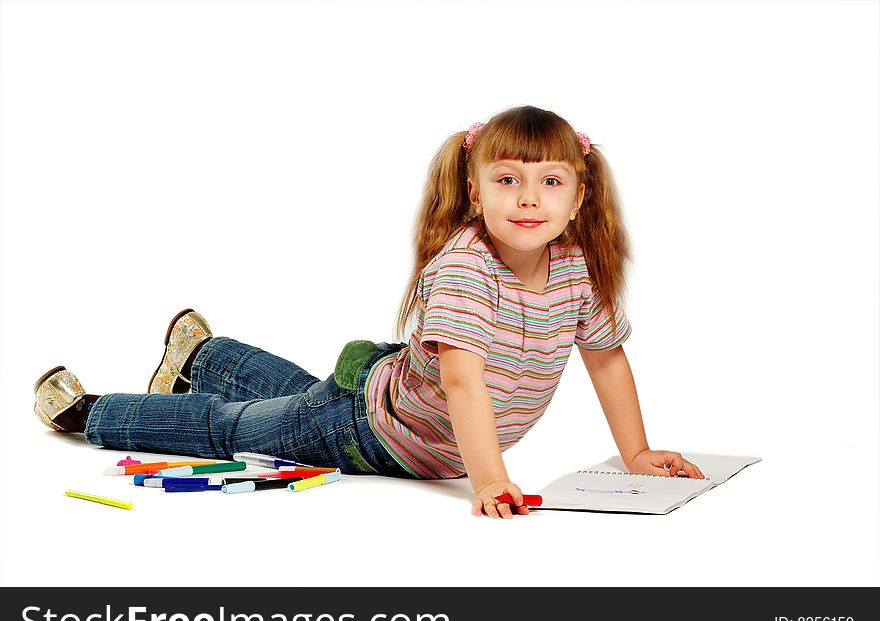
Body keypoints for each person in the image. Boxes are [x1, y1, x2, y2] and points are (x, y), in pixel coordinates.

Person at [33, 105, 704, 519]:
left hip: (397, 408)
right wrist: (491, 479)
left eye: (550, 181)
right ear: (474, 191)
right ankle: (91, 410)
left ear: (579, 198)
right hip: (370, 431)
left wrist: (636, 451)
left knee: (298, 399)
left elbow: (607, 359)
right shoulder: (469, 270)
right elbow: (465, 381)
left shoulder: (577, 271)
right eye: (508, 179)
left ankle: (202, 359)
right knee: (234, 427)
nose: (528, 198)